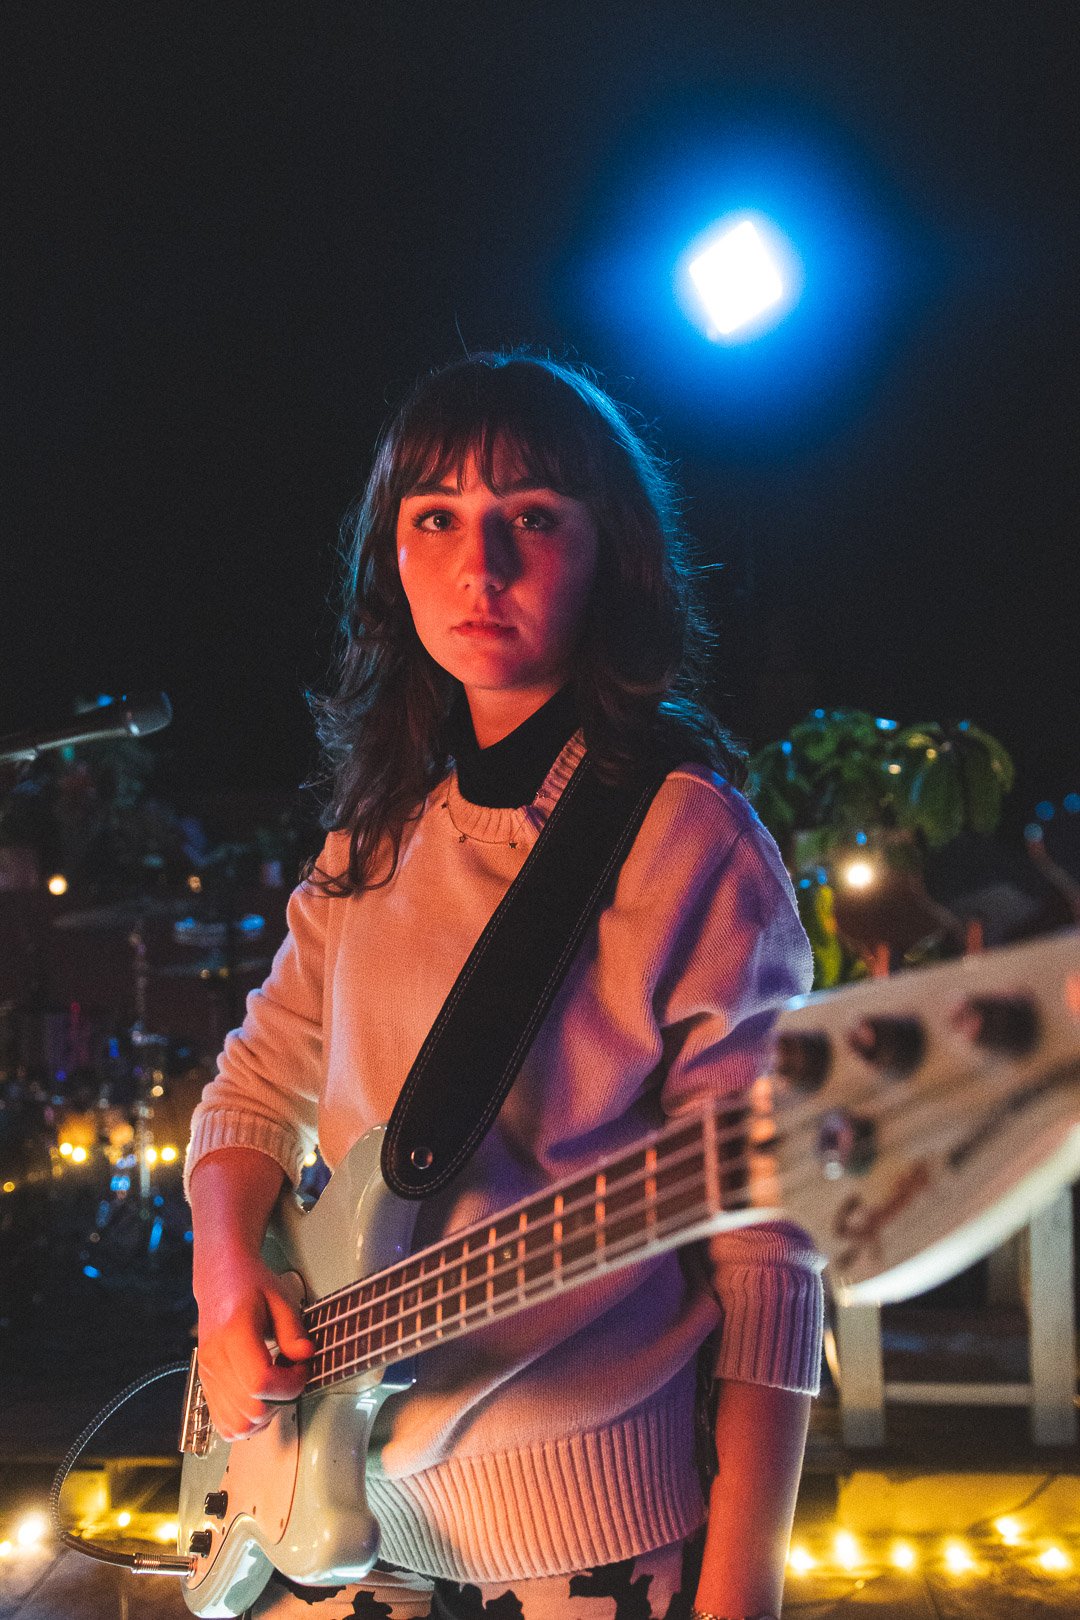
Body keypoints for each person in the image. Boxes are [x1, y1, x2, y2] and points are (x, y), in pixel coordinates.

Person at [185, 351, 823, 1620]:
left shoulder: (686, 839)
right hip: (329, 1515)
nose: (480, 567)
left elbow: (768, 1238)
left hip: (579, 1534)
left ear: (610, 556)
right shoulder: (376, 836)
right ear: (392, 558)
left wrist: (742, 1581)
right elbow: (252, 1090)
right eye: (437, 519)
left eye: (531, 519)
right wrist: (223, 1280)